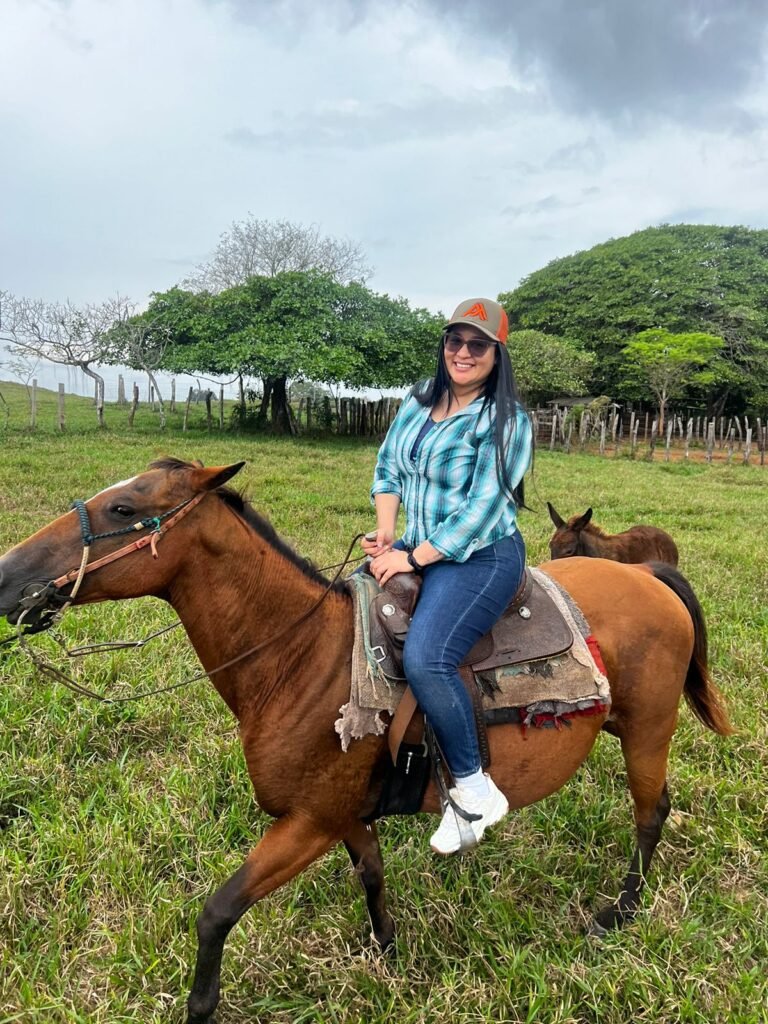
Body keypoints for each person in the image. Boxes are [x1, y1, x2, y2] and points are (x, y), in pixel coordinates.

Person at [361, 297, 533, 856]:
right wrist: (388, 536)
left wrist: (413, 559)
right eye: (455, 341)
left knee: (428, 656)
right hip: (419, 540)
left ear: (496, 354)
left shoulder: (506, 421)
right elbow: (388, 469)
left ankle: (476, 789)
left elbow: (483, 510)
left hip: (480, 555)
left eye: (477, 344)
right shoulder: (419, 400)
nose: (463, 352)